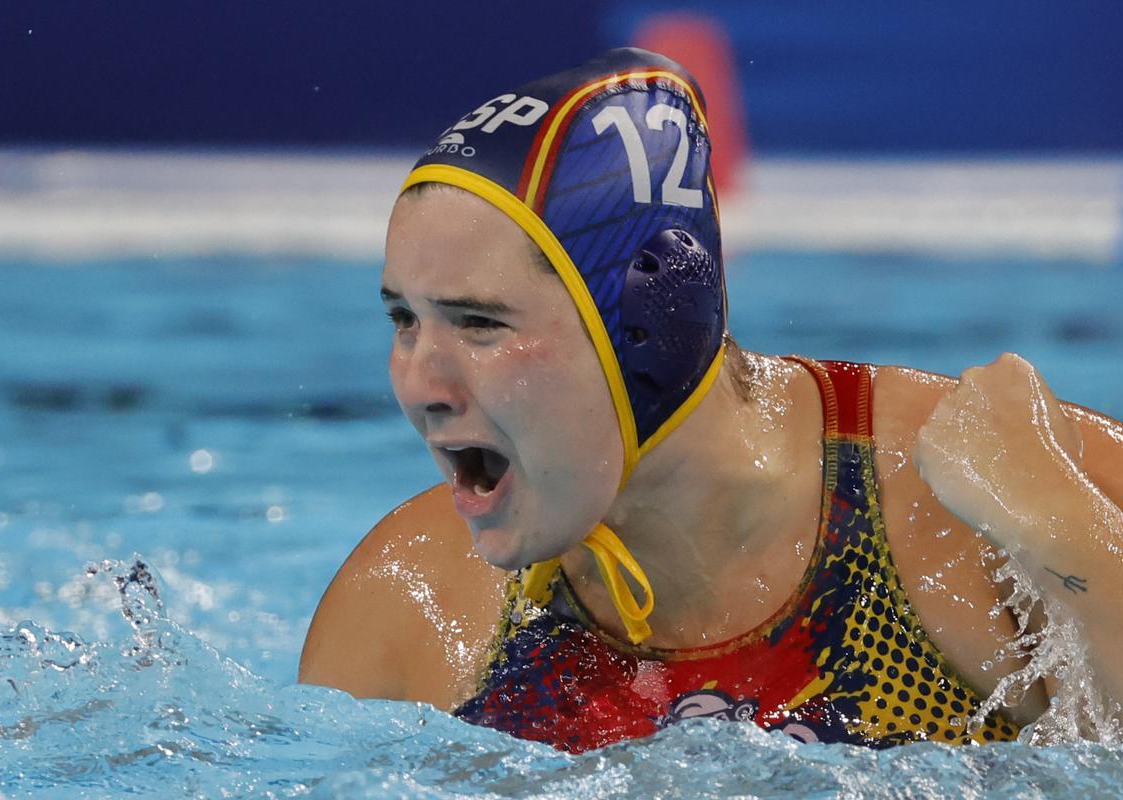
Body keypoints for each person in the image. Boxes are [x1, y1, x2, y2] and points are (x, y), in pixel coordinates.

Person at [298, 48, 1123, 752]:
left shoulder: (983, 510)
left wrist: (1070, 532)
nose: (419, 385)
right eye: (404, 320)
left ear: (647, 321)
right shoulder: (410, 606)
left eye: (479, 324)